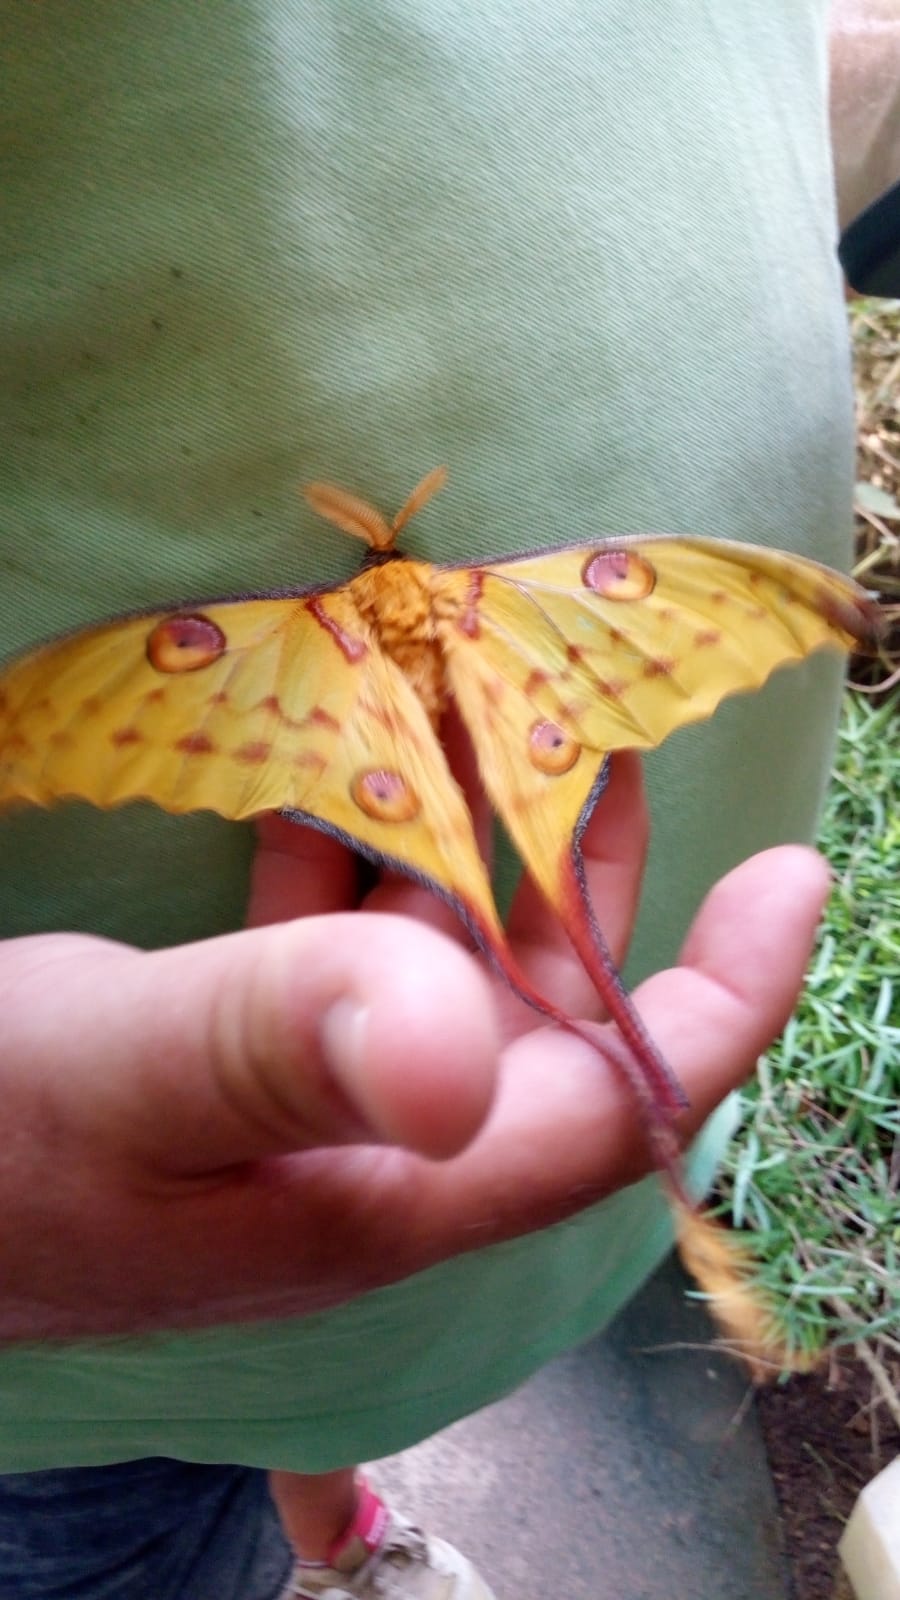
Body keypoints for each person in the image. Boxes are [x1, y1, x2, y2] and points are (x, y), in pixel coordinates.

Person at [0, 3, 870, 1596]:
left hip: (434, 1210)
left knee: (363, 1290)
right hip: (86, 1346)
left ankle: (338, 1532)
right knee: (172, 1470)